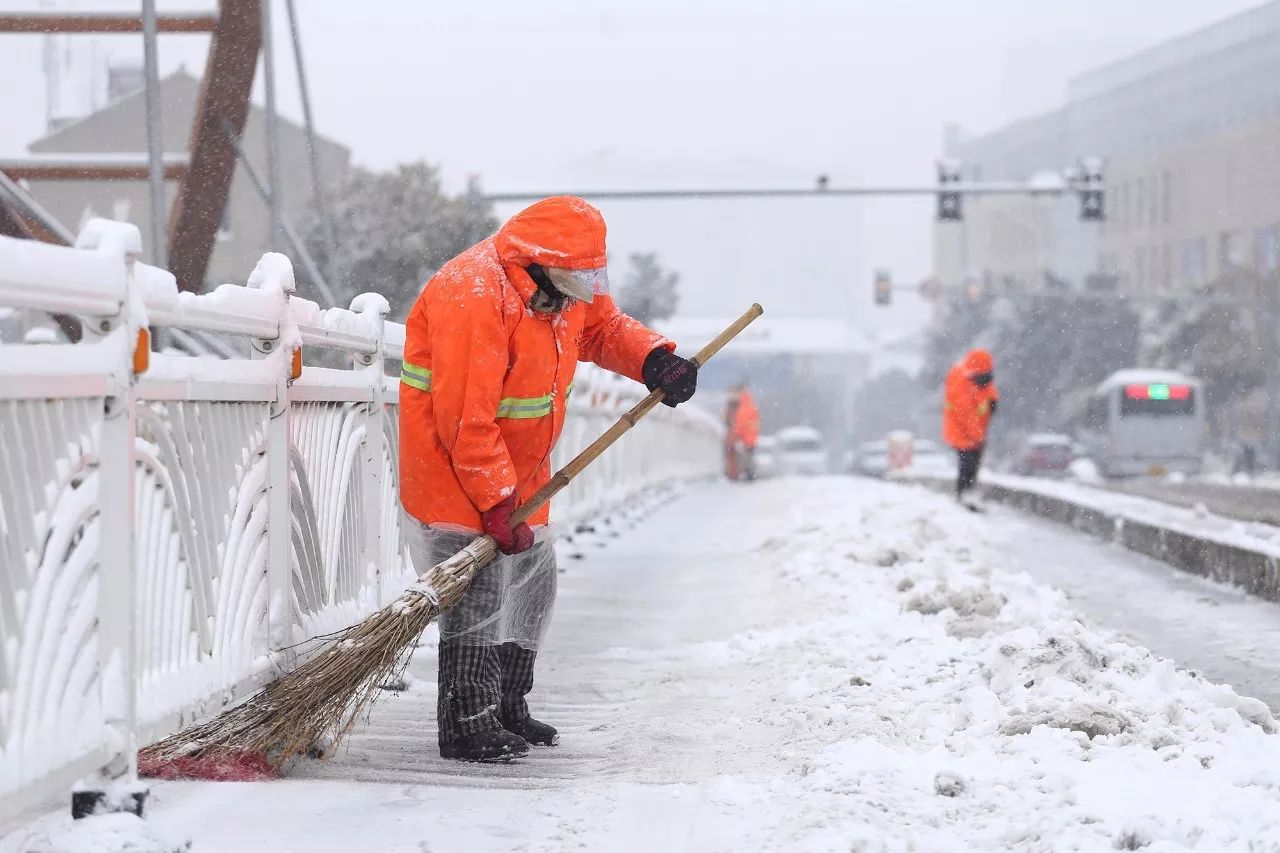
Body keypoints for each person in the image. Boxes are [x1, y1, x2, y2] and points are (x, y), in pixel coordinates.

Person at [399, 196, 699, 762]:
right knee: (478, 594)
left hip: (520, 472)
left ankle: (508, 705)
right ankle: (467, 722)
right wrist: (493, 500)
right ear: (543, 261)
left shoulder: (558, 286)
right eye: (583, 274)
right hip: (453, 467)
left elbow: (603, 328)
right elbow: (466, 419)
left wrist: (655, 360)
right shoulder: (475, 293)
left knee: (532, 586)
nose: (591, 285)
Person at [942, 348, 999, 507]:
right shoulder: (959, 382)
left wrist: (993, 400)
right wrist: (978, 436)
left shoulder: (979, 376)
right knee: (967, 462)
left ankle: (968, 492)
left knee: (974, 461)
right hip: (960, 431)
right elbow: (965, 414)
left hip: (977, 430)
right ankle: (964, 493)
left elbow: (988, 389)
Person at [723, 381, 760, 480]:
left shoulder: (742, 408)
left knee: (742, 457)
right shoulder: (751, 406)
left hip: (744, 438)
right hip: (750, 437)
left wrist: (736, 433)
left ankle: (744, 474)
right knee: (748, 457)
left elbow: (739, 423)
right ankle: (749, 473)